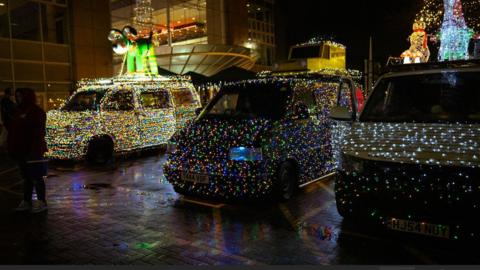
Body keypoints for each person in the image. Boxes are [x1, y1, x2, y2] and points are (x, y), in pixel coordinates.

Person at [7, 88, 48, 213]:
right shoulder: (18, 111)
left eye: (21, 96)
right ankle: (26, 201)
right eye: (17, 96)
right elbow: (14, 130)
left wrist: (34, 151)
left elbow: (38, 133)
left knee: (36, 177)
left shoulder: (36, 112)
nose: (18, 99)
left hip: (33, 151)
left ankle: (41, 202)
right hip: (20, 150)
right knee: (26, 177)